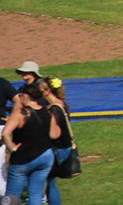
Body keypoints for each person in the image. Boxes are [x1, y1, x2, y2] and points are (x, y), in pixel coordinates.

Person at [2, 80, 60, 205]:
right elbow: (54, 134)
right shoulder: (48, 111)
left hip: (24, 158)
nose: (19, 97)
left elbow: (5, 133)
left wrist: (12, 148)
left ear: (26, 96)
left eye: (20, 95)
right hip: (45, 156)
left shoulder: (20, 114)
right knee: (36, 194)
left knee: (12, 197)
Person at [41, 76, 72, 205]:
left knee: (47, 183)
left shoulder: (54, 109)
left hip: (57, 149)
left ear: (47, 91)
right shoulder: (62, 103)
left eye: (41, 90)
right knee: (50, 183)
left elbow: (54, 134)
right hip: (65, 147)